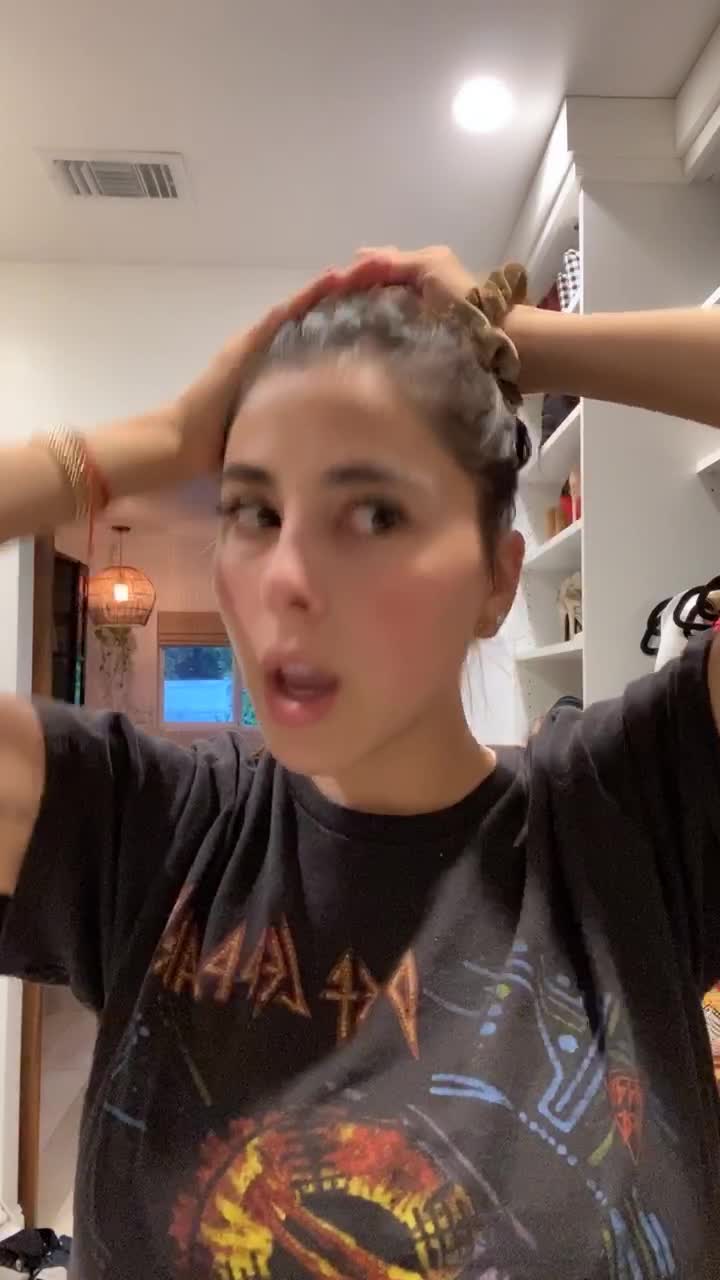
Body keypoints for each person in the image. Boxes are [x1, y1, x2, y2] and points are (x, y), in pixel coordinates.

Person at [0, 244, 719, 1280]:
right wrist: (151, 443)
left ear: (497, 580)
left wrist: (525, 341)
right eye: (254, 510)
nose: (286, 577)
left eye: (375, 513)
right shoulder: (140, 828)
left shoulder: (634, 820)